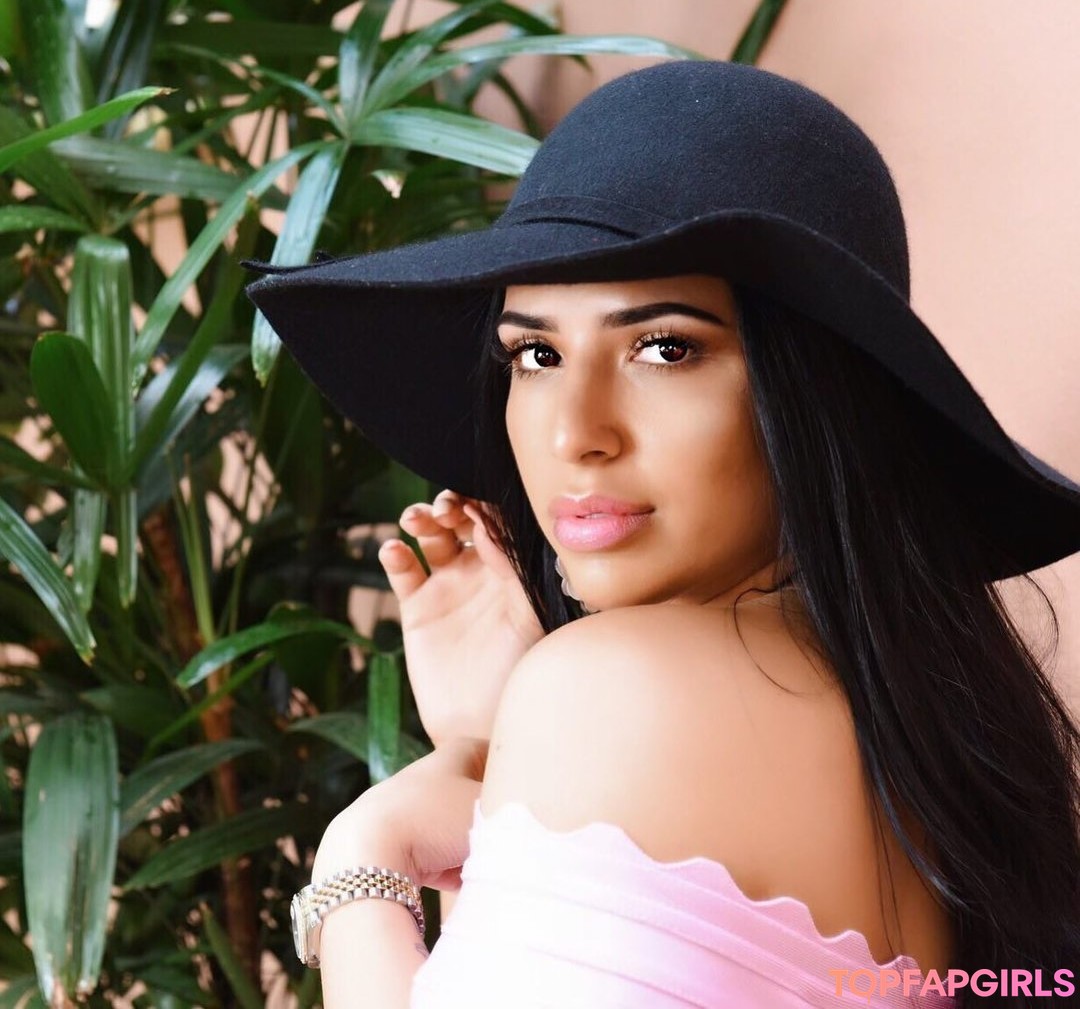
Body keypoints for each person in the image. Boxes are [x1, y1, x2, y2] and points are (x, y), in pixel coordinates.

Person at [246, 59, 1080, 1008]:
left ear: (812, 394)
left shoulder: (615, 689)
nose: (576, 432)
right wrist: (483, 750)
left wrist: (362, 856)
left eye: (664, 347)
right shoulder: (923, 739)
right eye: (536, 353)